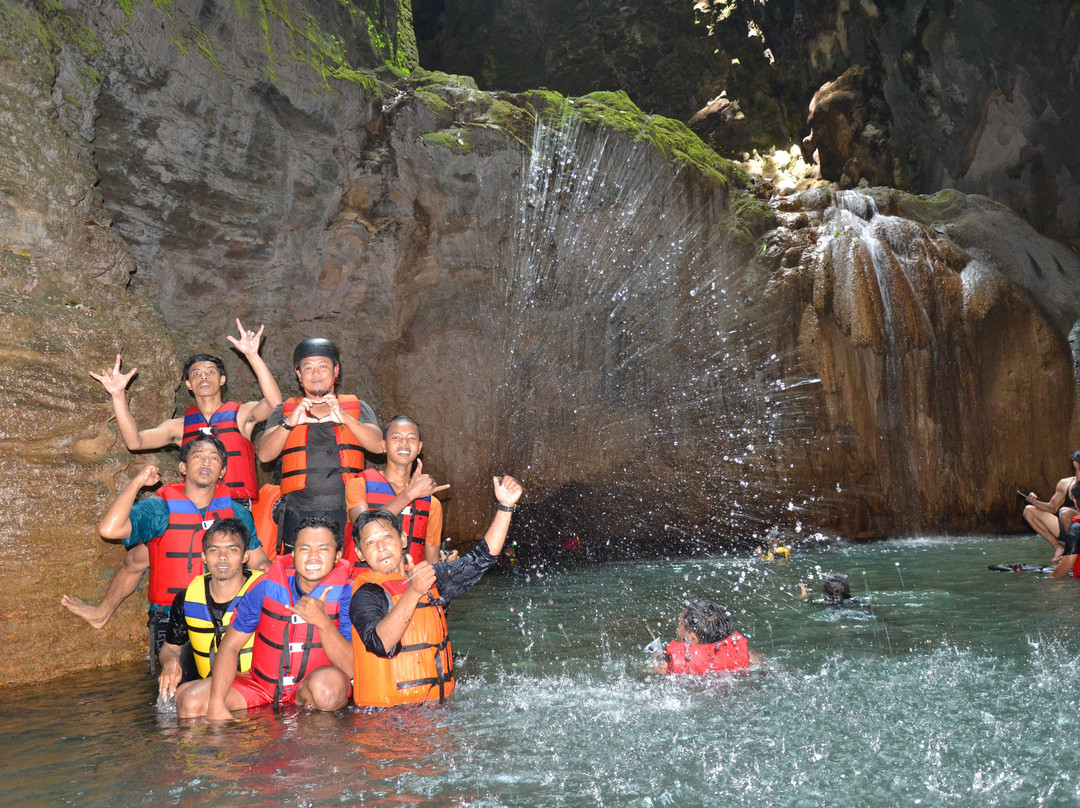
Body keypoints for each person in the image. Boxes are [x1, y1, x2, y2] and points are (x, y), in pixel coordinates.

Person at [60, 435, 269, 667]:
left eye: (214, 458)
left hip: (229, 616)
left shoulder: (237, 513)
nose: (206, 462)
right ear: (183, 466)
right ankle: (102, 613)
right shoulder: (159, 509)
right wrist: (137, 482)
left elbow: (259, 563)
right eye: (198, 456)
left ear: (222, 471)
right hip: (171, 616)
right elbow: (109, 529)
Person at [350, 475, 523, 707]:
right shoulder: (366, 593)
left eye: (386, 537)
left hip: (436, 711)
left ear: (402, 539)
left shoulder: (430, 578)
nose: (381, 548)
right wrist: (413, 592)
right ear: (360, 554)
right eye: (370, 543)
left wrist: (505, 506)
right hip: (386, 718)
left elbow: (481, 559)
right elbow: (380, 643)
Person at [176, 516, 356, 718]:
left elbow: (350, 669)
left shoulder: (348, 594)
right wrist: (217, 703)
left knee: (328, 692)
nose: (313, 557)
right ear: (293, 553)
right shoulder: (265, 586)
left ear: (337, 555)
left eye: (323, 549)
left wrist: (323, 622)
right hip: (260, 685)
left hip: (308, 689)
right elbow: (230, 646)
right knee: (191, 704)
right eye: (304, 549)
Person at [89, 319, 282, 502]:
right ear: (189, 384)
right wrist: (118, 395)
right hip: (197, 510)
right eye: (196, 374)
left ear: (222, 380)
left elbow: (275, 404)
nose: (203, 377)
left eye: (210, 372)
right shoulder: (179, 427)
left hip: (237, 507)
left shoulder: (242, 414)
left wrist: (252, 356)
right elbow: (135, 442)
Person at [256, 338, 383, 555]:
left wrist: (345, 418)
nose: (315, 373)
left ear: (336, 371)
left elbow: (379, 446)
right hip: (297, 512)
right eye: (308, 367)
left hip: (348, 510)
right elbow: (265, 455)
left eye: (323, 366)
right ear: (299, 374)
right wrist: (289, 423)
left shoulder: (357, 407)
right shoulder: (284, 410)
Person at [157, 518, 263, 703]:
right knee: (177, 696)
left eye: (232, 549)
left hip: (256, 686)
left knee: (190, 700)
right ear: (204, 557)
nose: (222, 557)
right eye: (214, 550)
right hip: (207, 684)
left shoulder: (265, 593)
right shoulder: (186, 598)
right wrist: (170, 663)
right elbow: (170, 648)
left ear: (245, 556)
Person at [346, 416, 451, 565]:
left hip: (408, 585)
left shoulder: (432, 504)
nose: (404, 444)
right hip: (365, 584)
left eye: (412, 438)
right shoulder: (359, 485)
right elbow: (363, 528)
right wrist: (409, 494)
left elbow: (432, 563)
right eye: (396, 437)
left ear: (419, 447)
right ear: (384, 445)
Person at [654, 597, 758, 674]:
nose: (678, 628)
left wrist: (655, 663)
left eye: (680, 623)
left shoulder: (667, 668)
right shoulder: (750, 658)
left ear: (691, 638)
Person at [1022, 450, 1080, 562]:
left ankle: (1072, 552)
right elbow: (1052, 507)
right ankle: (1059, 547)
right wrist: (1035, 502)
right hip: (1067, 527)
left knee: (1065, 512)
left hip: (1077, 527)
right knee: (1029, 510)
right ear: (1076, 464)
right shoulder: (1064, 483)